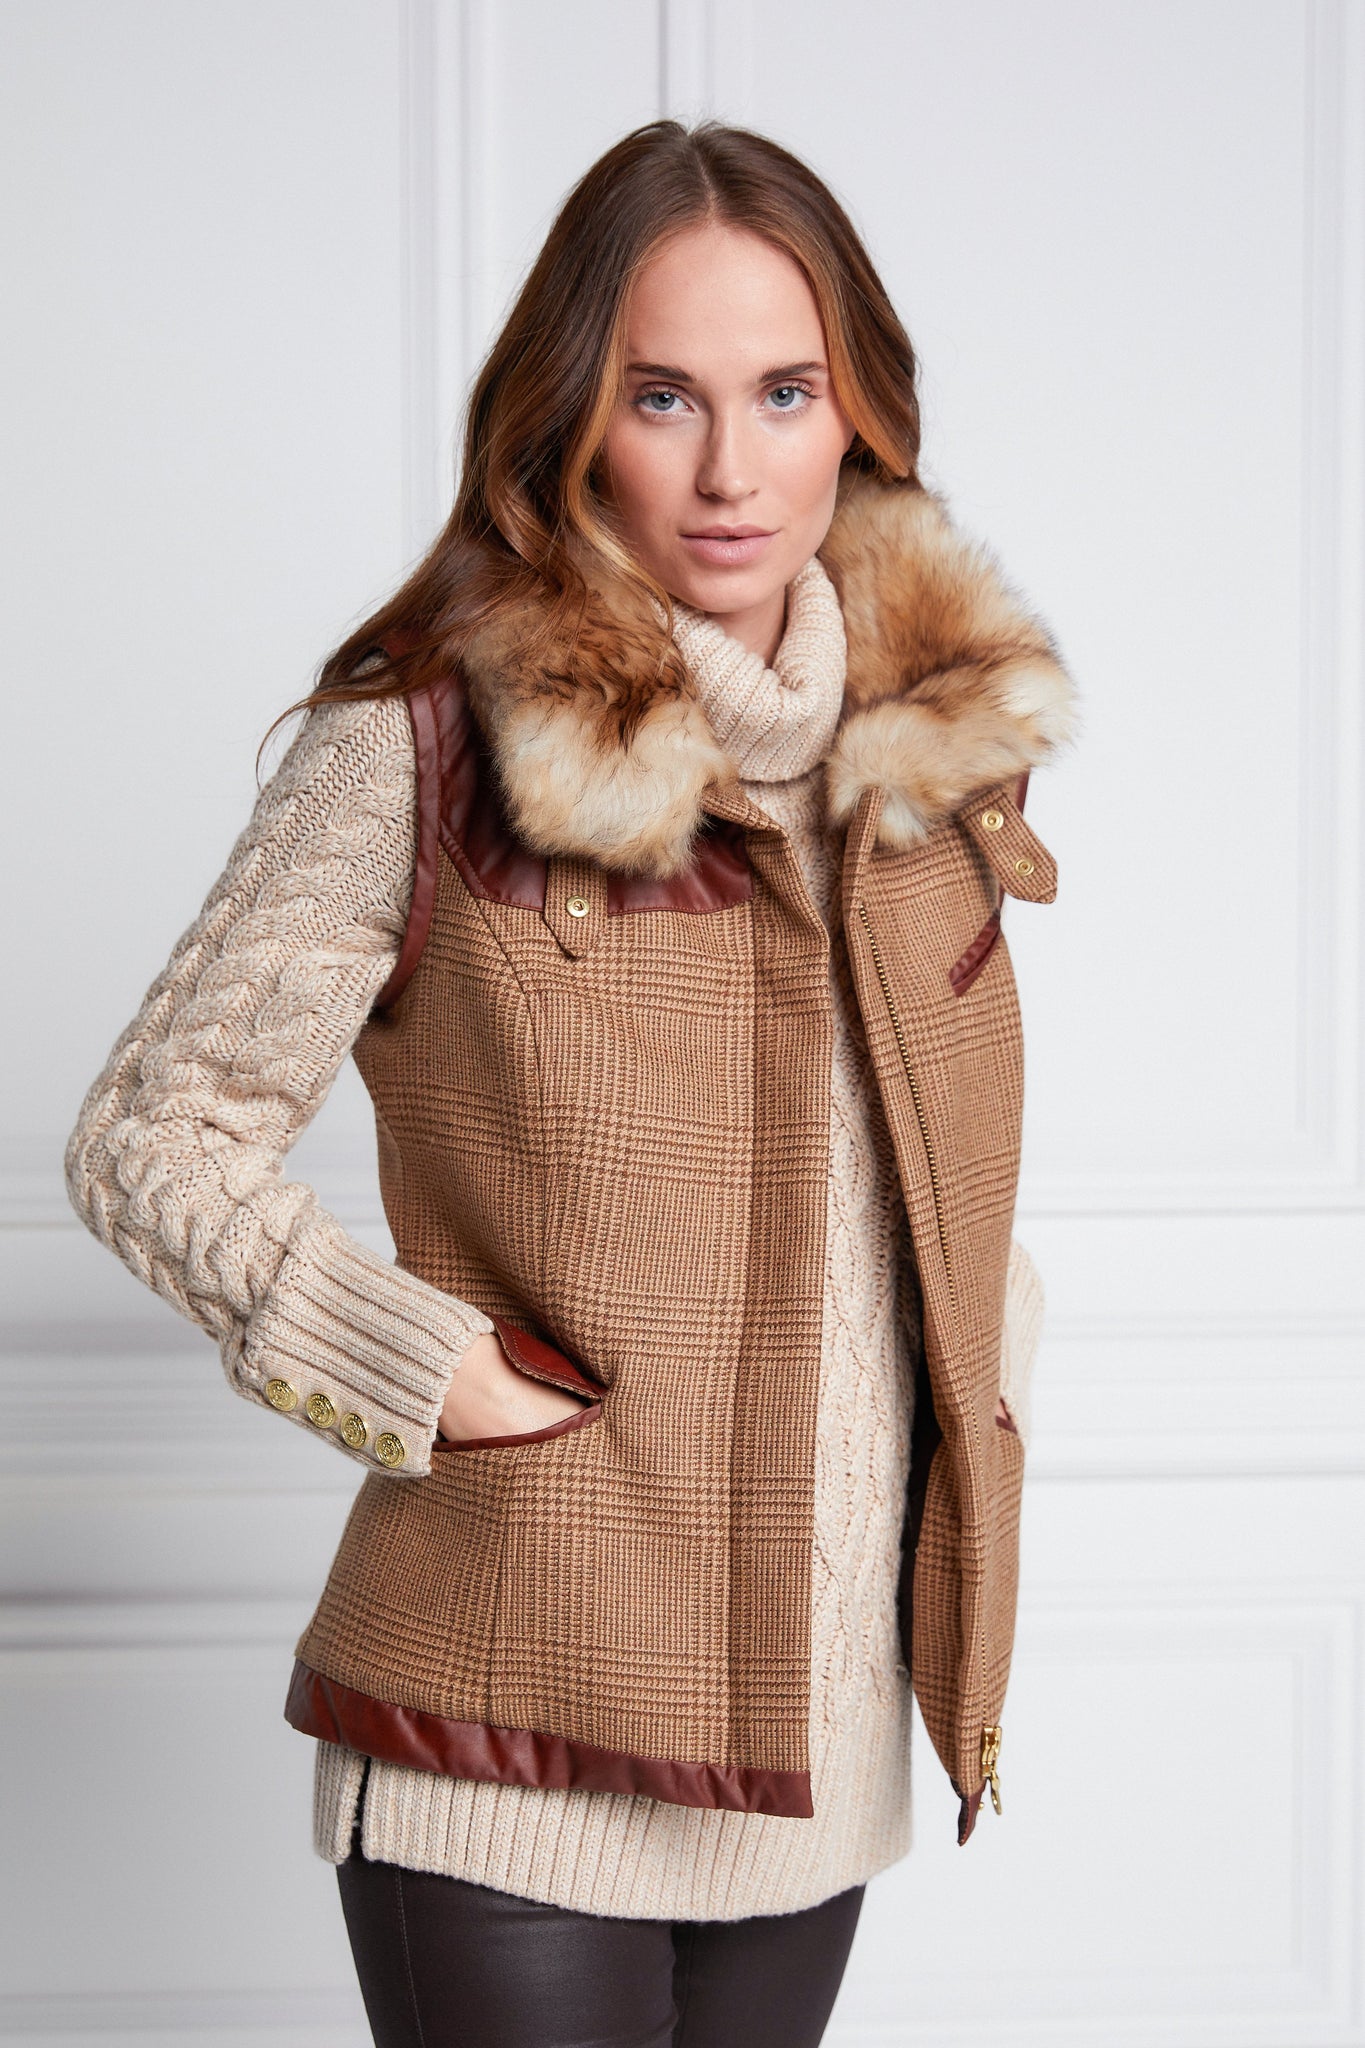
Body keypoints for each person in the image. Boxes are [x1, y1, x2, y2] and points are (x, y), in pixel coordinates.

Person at [65, 119, 1075, 2048]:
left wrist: (979, 1379)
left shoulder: (930, 766)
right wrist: (417, 1367)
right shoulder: (430, 740)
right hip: (504, 1729)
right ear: (573, 419)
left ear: (858, 412)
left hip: (812, 1745)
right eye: (660, 395)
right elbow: (150, 1134)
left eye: (783, 393)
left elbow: (917, 1188)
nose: (729, 467)